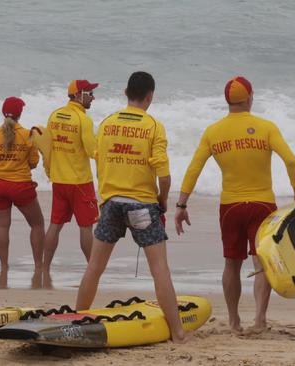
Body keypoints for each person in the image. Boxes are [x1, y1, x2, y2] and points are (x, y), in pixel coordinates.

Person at [175, 76, 295, 334]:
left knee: (231, 263)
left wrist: (181, 204)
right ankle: (259, 319)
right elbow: (290, 160)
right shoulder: (266, 127)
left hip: (231, 207)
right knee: (262, 263)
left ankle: (234, 321)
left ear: (227, 101)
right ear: (249, 98)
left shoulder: (213, 131)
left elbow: (194, 169)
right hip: (262, 205)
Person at [75, 71, 189, 343]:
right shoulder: (153, 126)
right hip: (142, 206)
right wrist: (162, 200)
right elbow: (164, 175)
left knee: (94, 267)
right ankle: (178, 332)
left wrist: (106, 196)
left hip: (112, 204)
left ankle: (77, 321)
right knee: (160, 269)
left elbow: (99, 160)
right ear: (150, 97)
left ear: (126, 93)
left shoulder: (107, 123)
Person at [0, 97, 45, 289]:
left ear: (3, 113)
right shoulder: (27, 135)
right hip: (20, 186)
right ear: (20, 114)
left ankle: (4, 267)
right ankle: (38, 266)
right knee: (37, 224)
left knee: (2, 226)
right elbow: (33, 163)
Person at [42, 79, 99, 287]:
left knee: (55, 225)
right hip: (80, 182)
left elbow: (47, 148)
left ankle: (44, 268)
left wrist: (48, 171)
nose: (93, 97)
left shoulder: (54, 115)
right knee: (86, 227)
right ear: (77, 95)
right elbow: (93, 151)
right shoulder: (83, 120)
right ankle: (93, 270)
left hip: (58, 180)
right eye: (89, 93)